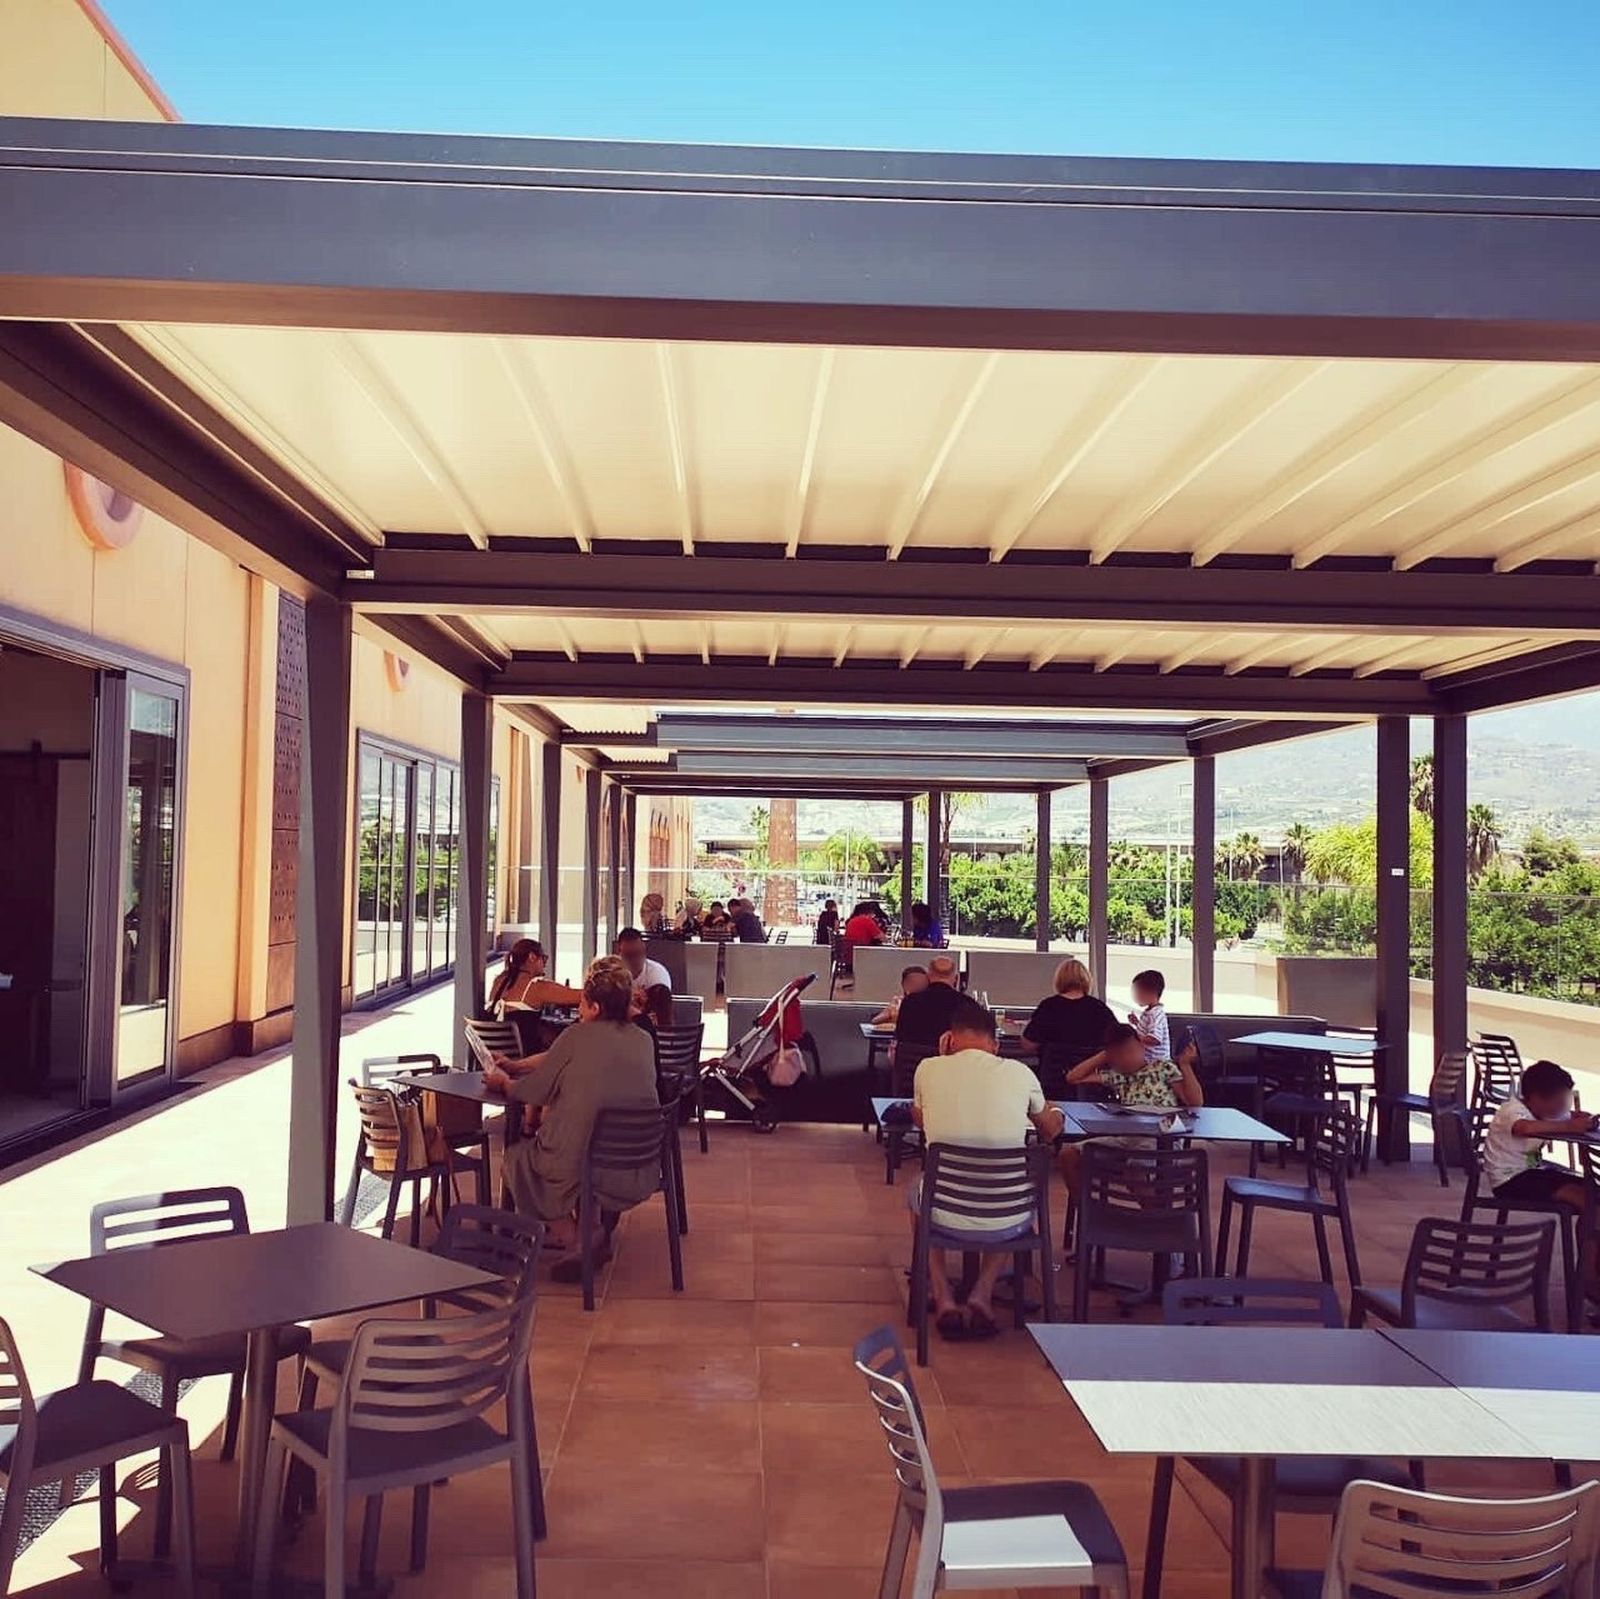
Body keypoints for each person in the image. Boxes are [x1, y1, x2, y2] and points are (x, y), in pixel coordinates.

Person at [485, 958, 661, 1279]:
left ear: (593, 1006)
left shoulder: (576, 1036)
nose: (578, 1008)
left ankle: (576, 1239)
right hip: (636, 1160)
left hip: (586, 1160)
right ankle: (591, 1229)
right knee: (583, 1143)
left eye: (581, 1002)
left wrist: (504, 1084)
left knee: (518, 1160)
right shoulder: (643, 1039)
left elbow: (535, 1091)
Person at [910, 997, 1064, 1340]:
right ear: (994, 1044)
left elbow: (922, 1121)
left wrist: (942, 1060)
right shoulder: (1020, 1073)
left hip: (944, 1209)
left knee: (918, 1194)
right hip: (1006, 1214)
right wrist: (1056, 1112)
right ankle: (982, 1292)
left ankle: (944, 1296)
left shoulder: (928, 1068)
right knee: (1022, 1195)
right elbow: (1051, 1130)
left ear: (950, 1038)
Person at [1057, 1021, 1205, 1195]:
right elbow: (1073, 1078)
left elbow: (1195, 1103)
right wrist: (1104, 1055)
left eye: (1130, 1051)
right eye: (1118, 1055)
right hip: (1126, 1138)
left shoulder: (1162, 1068)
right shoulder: (1117, 1076)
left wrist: (1185, 1065)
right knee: (1068, 1155)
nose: (1126, 1058)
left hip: (1161, 1139)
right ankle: (1086, 1210)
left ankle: (1154, 1217)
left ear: (1142, 1047)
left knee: (1134, 1168)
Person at [1021, 958, 1117, 1097]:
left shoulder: (1049, 1007)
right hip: (1090, 1084)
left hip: (1052, 1083)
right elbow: (1117, 1043)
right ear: (1087, 980)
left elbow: (1028, 1045)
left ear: (1059, 980)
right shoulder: (1099, 1009)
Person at [893, 953, 966, 1091]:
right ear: (956, 979)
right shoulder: (967, 1005)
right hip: (950, 1079)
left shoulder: (910, 1002)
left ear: (928, 977)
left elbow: (900, 1037)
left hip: (911, 1074)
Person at [488, 938, 581, 1019]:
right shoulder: (536, 987)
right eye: (543, 958)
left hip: (490, 1039)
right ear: (532, 957)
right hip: (523, 1039)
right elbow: (581, 996)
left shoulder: (499, 980)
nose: (544, 964)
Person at [1128, 969, 1170, 1064]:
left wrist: (1134, 1038)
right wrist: (1137, 1023)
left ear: (1152, 993)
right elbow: (1148, 1030)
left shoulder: (1156, 1014)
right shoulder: (1149, 1012)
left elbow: (1155, 1038)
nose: (1136, 996)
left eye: (1139, 993)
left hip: (1157, 1064)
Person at [615, 927, 673, 996]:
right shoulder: (613, 975)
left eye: (638, 953)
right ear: (619, 952)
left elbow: (660, 1005)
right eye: (629, 955)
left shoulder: (657, 974)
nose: (634, 960)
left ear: (644, 949)